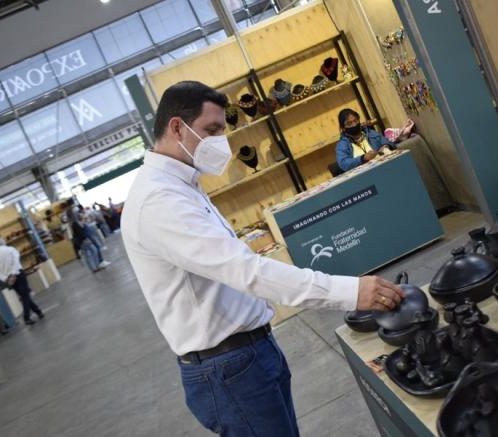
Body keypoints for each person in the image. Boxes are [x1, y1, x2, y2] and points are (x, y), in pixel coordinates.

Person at [121, 81, 404, 437]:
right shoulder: (158, 201)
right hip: (228, 367)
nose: (220, 142)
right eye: (212, 130)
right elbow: (246, 271)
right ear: (177, 127)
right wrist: (349, 291)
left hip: (250, 352)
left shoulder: (181, 185)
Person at [0, 238, 44, 326]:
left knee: (24, 296)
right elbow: (16, 261)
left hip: (10, 280)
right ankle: (26, 318)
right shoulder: (10, 249)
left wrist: (6, 278)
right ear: (2, 243)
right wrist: (13, 274)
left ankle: (38, 312)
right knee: (25, 296)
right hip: (18, 274)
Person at [335, 108, 396, 172]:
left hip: (384, 168)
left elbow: (390, 143)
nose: (354, 124)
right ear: (343, 128)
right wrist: (363, 158)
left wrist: (386, 146)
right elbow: (344, 164)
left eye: (356, 120)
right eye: (349, 123)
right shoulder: (342, 145)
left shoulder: (371, 133)